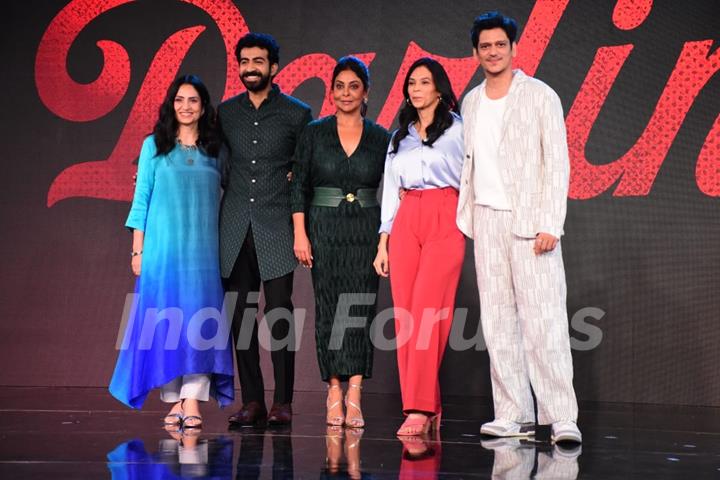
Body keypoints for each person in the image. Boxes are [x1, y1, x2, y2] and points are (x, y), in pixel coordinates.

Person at [456, 11, 581, 443]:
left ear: (513, 48)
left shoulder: (540, 95)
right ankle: (513, 413)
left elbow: (558, 162)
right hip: (487, 219)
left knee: (544, 320)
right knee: (497, 321)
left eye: (500, 45)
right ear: (476, 52)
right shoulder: (470, 102)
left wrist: (551, 222)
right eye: (485, 46)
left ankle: (561, 414)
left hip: (531, 222)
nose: (493, 52)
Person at [109, 74, 234, 428]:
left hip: (204, 254)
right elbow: (141, 200)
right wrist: (138, 251)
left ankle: (192, 400)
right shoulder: (154, 147)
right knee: (167, 328)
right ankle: (178, 400)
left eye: (193, 100)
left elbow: (241, 191)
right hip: (163, 253)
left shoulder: (217, 151)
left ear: (204, 107)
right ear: (170, 104)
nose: (186, 106)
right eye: (179, 99)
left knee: (200, 325)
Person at [218, 33, 312, 426]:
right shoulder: (225, 114)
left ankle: (283, 402)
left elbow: (303, 173)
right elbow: (207, 156)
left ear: (274, 67)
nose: (250, 68)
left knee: (279, 316)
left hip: (276, 227)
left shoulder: (297, 114)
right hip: (235, 226)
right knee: (238, 317)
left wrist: (300, 228)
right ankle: (253, 401)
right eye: (244, 61)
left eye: (258, 61)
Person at [291, 57, 390, 428]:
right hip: (323, 228)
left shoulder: (382, 137)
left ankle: (356, 392)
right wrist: (300, 233)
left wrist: (385, 240)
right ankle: (333, 390)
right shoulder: (314, 133)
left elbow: (393, 191)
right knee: (330, 309)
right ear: (331, 91)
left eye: (353, 86)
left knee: (361, 309)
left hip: (365, 229)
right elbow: (298, 185)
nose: (345, 93)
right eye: (339, 86)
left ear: (366, 92)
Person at [373, 58, 465, 436]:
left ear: (438, 89)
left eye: (424, 82)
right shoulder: (400, 137)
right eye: (411, 82)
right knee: (407, 318)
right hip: (407, 218)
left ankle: (418, 409)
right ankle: (430, 405)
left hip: (446, 212)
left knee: (430, 314)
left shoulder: (459, 130)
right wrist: (384, 241)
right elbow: (390, 193)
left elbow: (474, 176)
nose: (416, 88)